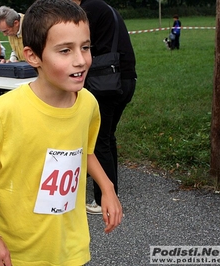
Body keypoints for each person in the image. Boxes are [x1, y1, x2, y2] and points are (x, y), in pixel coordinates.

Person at [0, 0, 123, 265]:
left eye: (86, 47)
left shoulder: (88, 103)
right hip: (12, 253)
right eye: (65, 50)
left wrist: (107, 187)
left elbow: (84, 151)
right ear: (32, 56)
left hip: (69, 249)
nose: (81, 60)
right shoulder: (5, 111)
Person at [71, 0, 137, 214]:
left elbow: (81, 43)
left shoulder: (88, 10)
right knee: (108, 137)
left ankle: (103, 199)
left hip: (106, 82)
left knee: (99, 141)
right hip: (125, 79)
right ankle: (110, 190)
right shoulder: (105, 8)